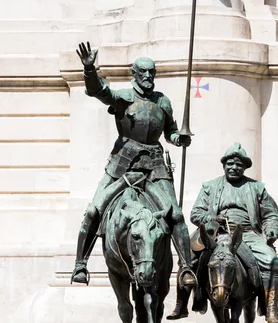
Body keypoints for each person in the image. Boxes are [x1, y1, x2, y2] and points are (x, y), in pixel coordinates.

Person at [70, 42, 196, 289]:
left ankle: (186, 267)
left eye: (152, 72)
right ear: (134, 74)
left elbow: (169, 131)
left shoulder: (163, 102)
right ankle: (80, 264)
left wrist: (177, 138)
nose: (149, 76)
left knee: (177, 216)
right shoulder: (123, 98)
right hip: (122, 167)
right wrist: (89, 70)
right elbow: (99, 91)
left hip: (155, 167)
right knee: (94, 211)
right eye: (143, 72)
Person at [168, 143, 278, 323]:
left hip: (247, 234)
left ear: (244, 167)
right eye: (230, 164)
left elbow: (270, 214)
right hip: (215, 233)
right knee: (187, 259)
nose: (234, 167)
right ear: (224, 165)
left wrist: (272, 229)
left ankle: (270, 307)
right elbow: (195, 213)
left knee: (272, 261)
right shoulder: (210, 187)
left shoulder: (257, 188)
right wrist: (212, 217)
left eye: (238, 164)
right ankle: (182, 305)